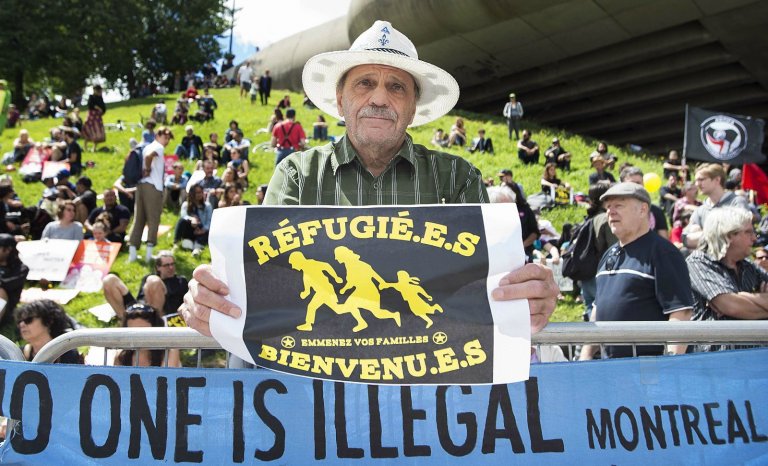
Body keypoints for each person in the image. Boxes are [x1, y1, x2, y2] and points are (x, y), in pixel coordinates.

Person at [180, 20, 557, 341]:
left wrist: (529, 294)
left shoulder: (458, 178)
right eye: (364, 83)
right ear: (341, 100)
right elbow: (267, 283)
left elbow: (490, 287)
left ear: (413, 108)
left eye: (397, 87)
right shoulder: (296, 174)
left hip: (428, 386)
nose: (379, 97)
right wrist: (215, 300)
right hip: (319, 385)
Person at [580, 183, 693, 360]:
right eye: (608, 207)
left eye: (619, 205)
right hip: (610, 369)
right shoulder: (609, 254)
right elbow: (598, 308)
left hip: (648, 371)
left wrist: (670, 363)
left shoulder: (663, 252)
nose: (611, 211)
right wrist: (585, 358)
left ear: (642, 210)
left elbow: (680, 312)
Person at [687, 208, 768, 351]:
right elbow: (731, 306)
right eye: (748, 232)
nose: (754, 238)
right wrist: (760, 301)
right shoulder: (698, 263)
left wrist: (743, 298)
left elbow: (731, 306)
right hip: (715, 363)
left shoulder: (748, 266)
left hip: (754, 358)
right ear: (729, 235)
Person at [128, 126, 173, 263]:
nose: (167, 141)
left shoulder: (146, 146)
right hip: (153, 186)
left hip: (141, 185)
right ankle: (149, 254)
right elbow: (149, 157)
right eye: (166, 137)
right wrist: (147, 168)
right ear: (158, 135)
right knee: (153, 219)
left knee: (139, 218)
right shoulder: (158, 147)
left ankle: (133, 253)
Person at [103, 250, 188, 320]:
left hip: (162, 313)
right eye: (166, 265)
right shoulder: (147, 278)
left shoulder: (181, 281)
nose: (171, 267)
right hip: (139, 307)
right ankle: (124, 321)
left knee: (153, 281)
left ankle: (154, 323)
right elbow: (141, 297)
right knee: (109, 280)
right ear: (158, 267)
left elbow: (186, 304)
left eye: (172, 264)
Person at [683, 163, 750, 249]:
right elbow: (686, 239)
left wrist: (702, 234)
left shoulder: (737, 203)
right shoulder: (701, 210)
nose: (697, 184)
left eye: (701, 179)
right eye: (696, 180)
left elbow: (738, 234)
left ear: (717, 180)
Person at [114, 302, 181, 367]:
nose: (137, 337)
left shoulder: (169, 351)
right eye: (132, 331)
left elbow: (166, 376)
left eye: (142, 331)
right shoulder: (121, 357)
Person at [15, 300, 82, 364]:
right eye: (19, 321)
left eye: (28, 320)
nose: (22, 324)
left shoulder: (67, 353)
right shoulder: (19, 354)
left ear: (49, 321)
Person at [619, 166, 669, 239]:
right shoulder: (615, 211)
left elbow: (664, 242)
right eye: (631, 183)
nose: (635, 186)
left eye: (638, 183)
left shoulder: (656, 211)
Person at [176, 183, 212, 258]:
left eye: (200, 192)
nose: (199, 194)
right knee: (182, 221)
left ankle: (197, 248)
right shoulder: (186, 204)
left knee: (209, 232)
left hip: (202, 231)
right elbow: (183, 215)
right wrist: (191, 219)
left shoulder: (207, 206)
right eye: (196, 192)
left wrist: (203, 230)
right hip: (191, 230)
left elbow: (209, 222)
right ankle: (176, 243)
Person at [0, 233, 29, 326]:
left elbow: (7, 285)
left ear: (8, 250)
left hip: (6, 308)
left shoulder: (20, 269)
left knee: (1, 291)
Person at [82, 85, 106, 152]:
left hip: (98, 118)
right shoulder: (91, 97)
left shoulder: (100, 97)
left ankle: (94, 148)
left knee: (97, 133)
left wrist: (102, 111)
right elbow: (90, 105)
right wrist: (97, 108)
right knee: (89, 131)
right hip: (91, 117)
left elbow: (103, 107)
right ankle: (85, 147)